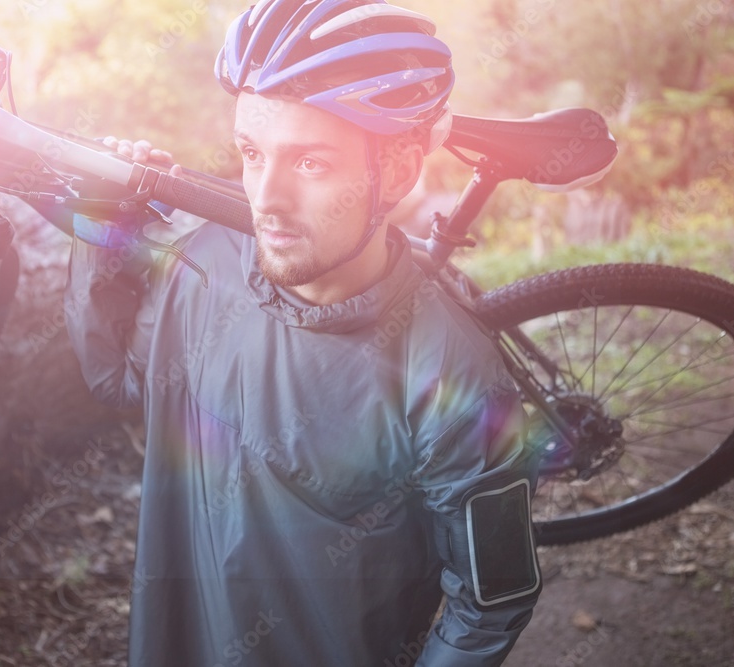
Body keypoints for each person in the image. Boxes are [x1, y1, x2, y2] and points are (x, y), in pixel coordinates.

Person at [64, 1, 542, 664]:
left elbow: (494, 599)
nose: (267, 200)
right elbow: (118, 378)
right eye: (252, 153)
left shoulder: (456, 378)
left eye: (311, 164)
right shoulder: (206, 264)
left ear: (398, 172)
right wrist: (104, 236)